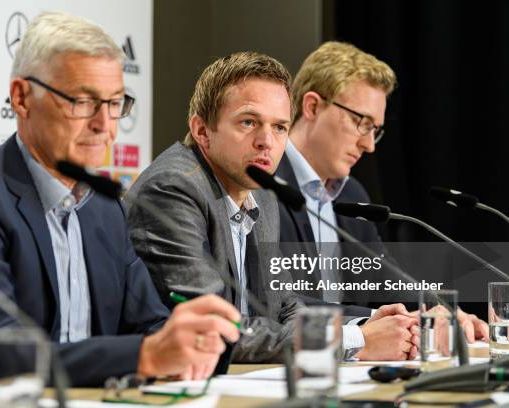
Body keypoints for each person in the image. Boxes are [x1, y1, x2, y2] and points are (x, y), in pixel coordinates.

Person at [0, 12, 240, 396]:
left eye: (115, 104)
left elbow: (150, 324)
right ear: (22, 97)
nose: (105, 124)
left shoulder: (104, 209)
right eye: (82, 101)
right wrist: (145, 354)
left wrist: (195, 343)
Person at [124, 51, 419, 363]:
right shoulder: (173, 188)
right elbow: (212, 329)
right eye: (249, 122)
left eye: (279, 127)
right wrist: (355, 340)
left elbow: (285, 306)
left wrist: (364, 327)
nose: (266, 141)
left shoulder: (261, 191)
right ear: (202, 131)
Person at [277, 41, 488, 348]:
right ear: (312, 106)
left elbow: (386, 279)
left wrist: (442, 312)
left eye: (374, 129)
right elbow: (278, 301)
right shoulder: (262, 186)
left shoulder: (352, 191)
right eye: (360, 122)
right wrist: (365, 328)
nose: (369, 145)